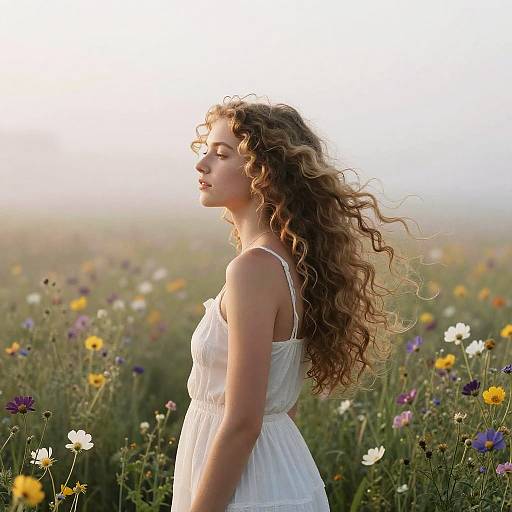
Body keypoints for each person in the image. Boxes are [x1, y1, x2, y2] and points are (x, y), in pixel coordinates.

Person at [171, 94, 422, 512]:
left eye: (222, 154)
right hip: (271, 472)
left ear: (263, 171)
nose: (202, 165)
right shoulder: (285, 262)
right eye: (205, 152)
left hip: (246, 487)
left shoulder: (253, 268)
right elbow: (280, 405)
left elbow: (243, 422)